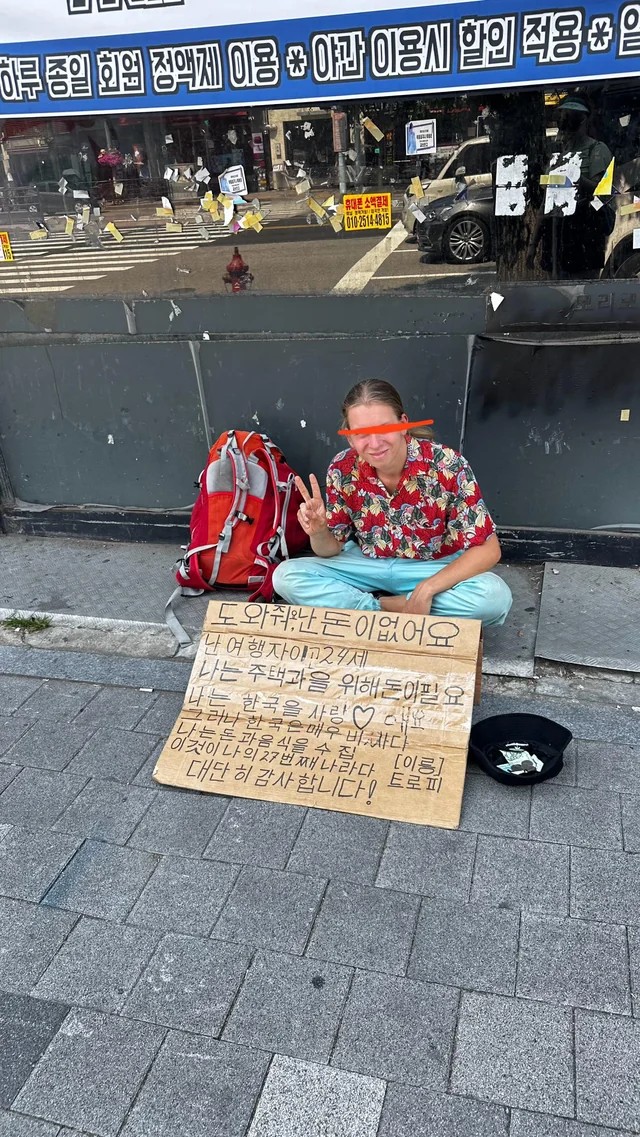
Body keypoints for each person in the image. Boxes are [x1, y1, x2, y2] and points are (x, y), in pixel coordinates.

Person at [272, 380, 512, 626]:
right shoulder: (342, 468)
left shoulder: (446, 464)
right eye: (361, 434)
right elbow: (330, 549)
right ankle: (383, 606)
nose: (374, 444)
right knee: (286, 576)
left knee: (493, 598)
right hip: (368, 565)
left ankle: (376, 608)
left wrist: (428, 588)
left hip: (431, 566)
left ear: (403, 425)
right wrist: (319, 531)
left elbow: (489, 549)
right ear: (350, 439)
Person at [526, 94, 614, 279]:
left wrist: (577, 179)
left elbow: (602, 191)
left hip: (583, 235)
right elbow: (546, 203)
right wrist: (533, 244)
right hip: (556, 237)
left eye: (570, 118)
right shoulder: (558, 156)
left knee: (582, 289)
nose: (565, 124)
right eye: (562, 118)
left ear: (583, 120)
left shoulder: (596, 150)